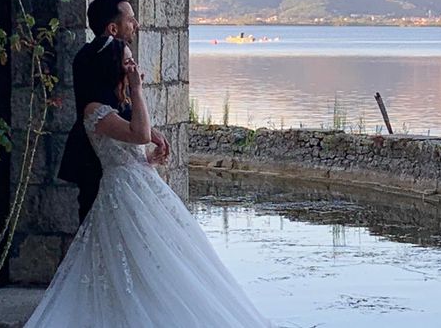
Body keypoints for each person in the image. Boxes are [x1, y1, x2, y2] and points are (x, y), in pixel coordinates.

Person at [25, 37, 272, 327]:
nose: (134, 67)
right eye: (128, 61)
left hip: (142, 183)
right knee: (129, 256)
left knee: (165, 256)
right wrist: (137, 88)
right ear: (113, 66)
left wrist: (148, 156)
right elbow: (139, 134)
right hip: (121, 190)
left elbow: (136, 142)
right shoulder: (95, 110)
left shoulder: (117, 104)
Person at [58, 0, 170, 224]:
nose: (136, 25)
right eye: (130, 19)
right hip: (97, 169)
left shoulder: (105, 59)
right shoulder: (92, 59)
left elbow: (120, 110)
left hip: (124, 172)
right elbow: (108, 109)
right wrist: (136, 89)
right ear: (112, 28)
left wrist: (150, 135)